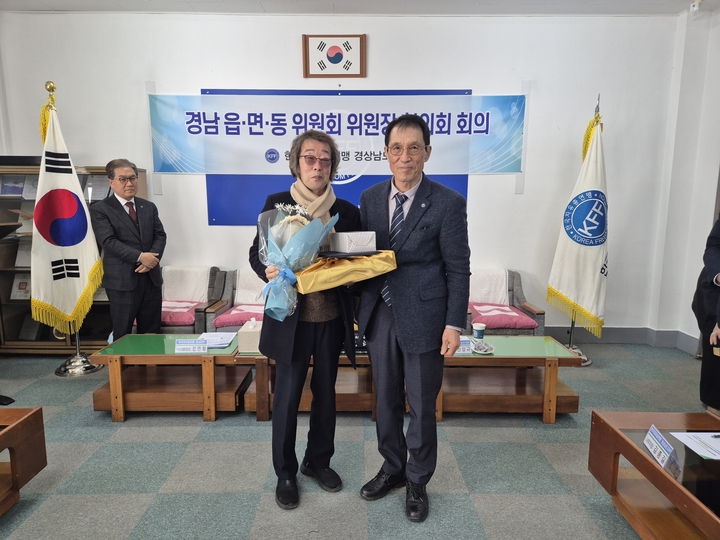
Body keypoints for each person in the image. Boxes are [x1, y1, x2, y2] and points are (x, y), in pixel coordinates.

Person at [356, 114, 471, 522]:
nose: (405, 157)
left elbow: (458, 268)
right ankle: (393, 468)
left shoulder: (448, 202)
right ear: (386, 153)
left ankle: (418, 479)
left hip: (426, 315)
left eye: (414, 148)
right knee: (385, 399)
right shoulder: (369, 198)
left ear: (427, 152)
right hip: (380, 312)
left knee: (421, 404)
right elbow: (362, 257)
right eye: (397, 148)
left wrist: (454, 324)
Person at [248, 130, 361, 510]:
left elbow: (357, 260)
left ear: (333, 166)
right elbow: (257, 253)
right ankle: (285, 472)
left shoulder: (346, 210)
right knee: (287, 397)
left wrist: (353, 274)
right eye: (310, 158)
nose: (318, 165)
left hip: (331, 319)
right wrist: (267, 269)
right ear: (296, 163)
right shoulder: (276, 204)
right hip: (290, 318)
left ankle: (318, 461)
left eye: (325, 159)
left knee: (326, 394)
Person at [90, 159, 166, 342]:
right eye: (123, 179)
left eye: (133, 178)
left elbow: (160, 235)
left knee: (151, 333)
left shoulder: (148, 207)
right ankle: (123, 362)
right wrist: (140, 257)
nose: (129, 183)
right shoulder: (100, 209)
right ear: (111, 182)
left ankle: (149, 361)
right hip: (122, 281)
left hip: (150, 278)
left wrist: (151, 260)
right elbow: (108, 241)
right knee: (122, 333)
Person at [692, 218, 720, 415]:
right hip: (714, 289)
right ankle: (715, 406)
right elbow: (713, 246)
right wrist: (718, 273)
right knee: (716, 341)